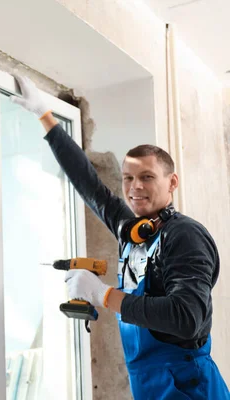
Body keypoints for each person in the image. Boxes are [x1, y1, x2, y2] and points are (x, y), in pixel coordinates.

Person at [12, 74, 230, 399]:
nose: (134, 186)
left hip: (188, 387)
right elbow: (88, 183)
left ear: (172, 182)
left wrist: (104, 295)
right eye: (128, 178)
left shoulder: (185, 236)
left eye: (147, 176)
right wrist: (46, 117)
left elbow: (187, 318)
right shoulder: (133, 232)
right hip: (149, 385)